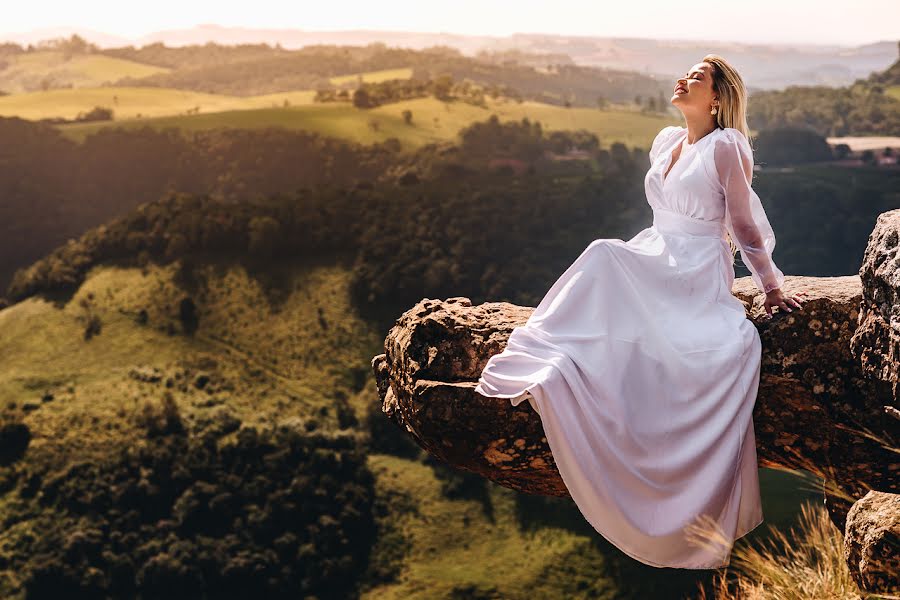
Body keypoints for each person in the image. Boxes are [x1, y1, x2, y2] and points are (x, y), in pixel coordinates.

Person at [474, 54, 806, 569]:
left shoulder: (727, 146)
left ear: (717, 98)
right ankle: (550, 359)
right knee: (607, 255)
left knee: (604, 253)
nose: (684, 80)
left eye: (698, 78)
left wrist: (770, 284)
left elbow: (743, 225)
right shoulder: (668, 142)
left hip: (694, 268)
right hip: (658, 249)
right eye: (686, 73)